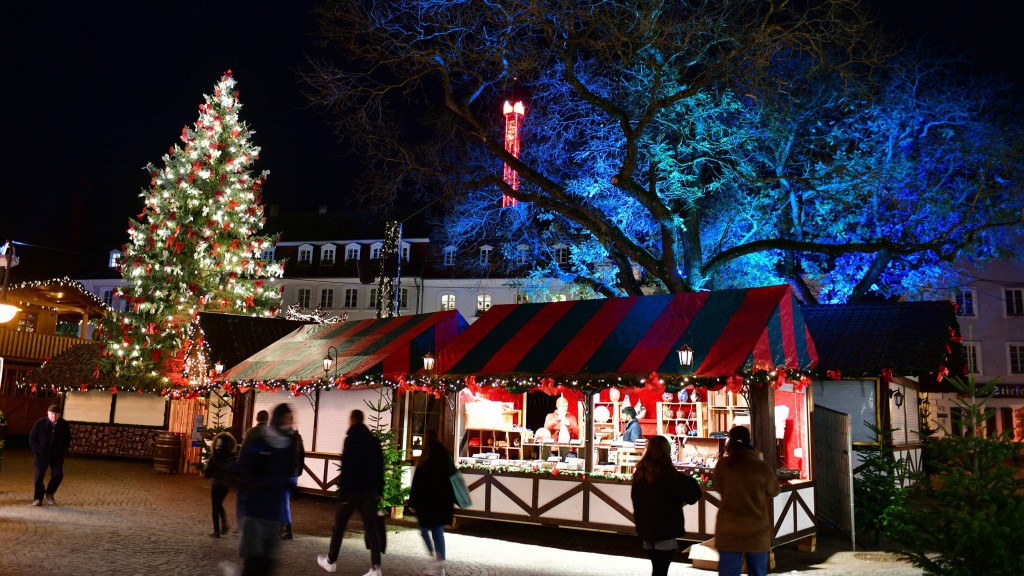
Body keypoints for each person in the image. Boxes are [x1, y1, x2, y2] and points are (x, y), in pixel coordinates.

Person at [225, 404, 296, 576]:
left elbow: (288, 470)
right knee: (254, 561)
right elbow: (244, 466)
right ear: (278, 418)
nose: (289, 421)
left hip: (273, 511)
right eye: (286, 418)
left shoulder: (289, 444)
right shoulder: (261, 442)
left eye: (291, 418)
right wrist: (254, 483)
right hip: (255, 509)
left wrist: (287, 483)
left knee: (268, 562)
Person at [317, 409, 384, 576]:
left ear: (351, 420)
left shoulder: (350, 440)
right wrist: (379, 490)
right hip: (369, 491)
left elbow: (347, 467)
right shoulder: (374, 441)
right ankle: (375, 568)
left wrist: (344, 494)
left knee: (339, 527)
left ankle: (331, 561)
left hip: (352, 491)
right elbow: (379, 468)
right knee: (372, 529)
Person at [713, 426, 781, 576]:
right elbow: (774, 490)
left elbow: (718, 487)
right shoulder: (760, 466)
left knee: (728, 573)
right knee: (757, 572)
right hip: (756, 530)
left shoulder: (723, 465)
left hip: (728, 529)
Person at [630, 435, 702, 576]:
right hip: (665, 529)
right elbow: (693, 494)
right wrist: (678, 502)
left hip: (646, 529)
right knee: (661, 570)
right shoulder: (669, 475)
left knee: (657, 568)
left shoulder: (640, 474)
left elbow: (637, 499)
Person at [407, 429, 457, 576]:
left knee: (424, 529)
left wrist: (413, 503)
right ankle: (440, 564)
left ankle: (433, 556)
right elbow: (453, 476)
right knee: (438, 531)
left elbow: (417, 482)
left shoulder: (425, 456)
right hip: (442, 501)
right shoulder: (445, 454)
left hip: (427, 502)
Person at [28, 404, 71, 506]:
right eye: (52, 414)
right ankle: (38, 498)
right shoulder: (39, 423)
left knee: (58, 474)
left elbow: (67, 440)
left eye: (56, 414)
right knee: (38, 477)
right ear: (48, 413)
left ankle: (50, 493)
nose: (54, 416)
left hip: (56, 455)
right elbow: (32, 438)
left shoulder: (64, 425)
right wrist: (37, 451)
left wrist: (62, 451)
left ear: (59, 415)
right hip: (42, 455)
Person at [236, 410, 269, 532]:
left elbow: (243, 451)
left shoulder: (250, 432)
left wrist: (240, 468)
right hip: (266, 472)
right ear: (267, 419)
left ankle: (241, 525)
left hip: (251, 470)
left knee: (244, 497)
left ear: (256, 418)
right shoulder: (272, 433)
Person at [204, 432, 238, 538]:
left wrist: (208, 472)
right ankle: (224, 524)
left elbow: (207, 473)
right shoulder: (232, 458)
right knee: (219, 504)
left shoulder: (214, 458)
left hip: (217, 483)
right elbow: (236, 471)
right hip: (226, 484)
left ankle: (217, 530)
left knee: (216, 506)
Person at [280, 426, 305, 540]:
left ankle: (287, 529)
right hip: (294, 475)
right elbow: (302, 456)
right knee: (284, 500)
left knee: (284, 501)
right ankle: (282, 528)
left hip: (285, 475)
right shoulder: (298, 438)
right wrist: (299, 472)